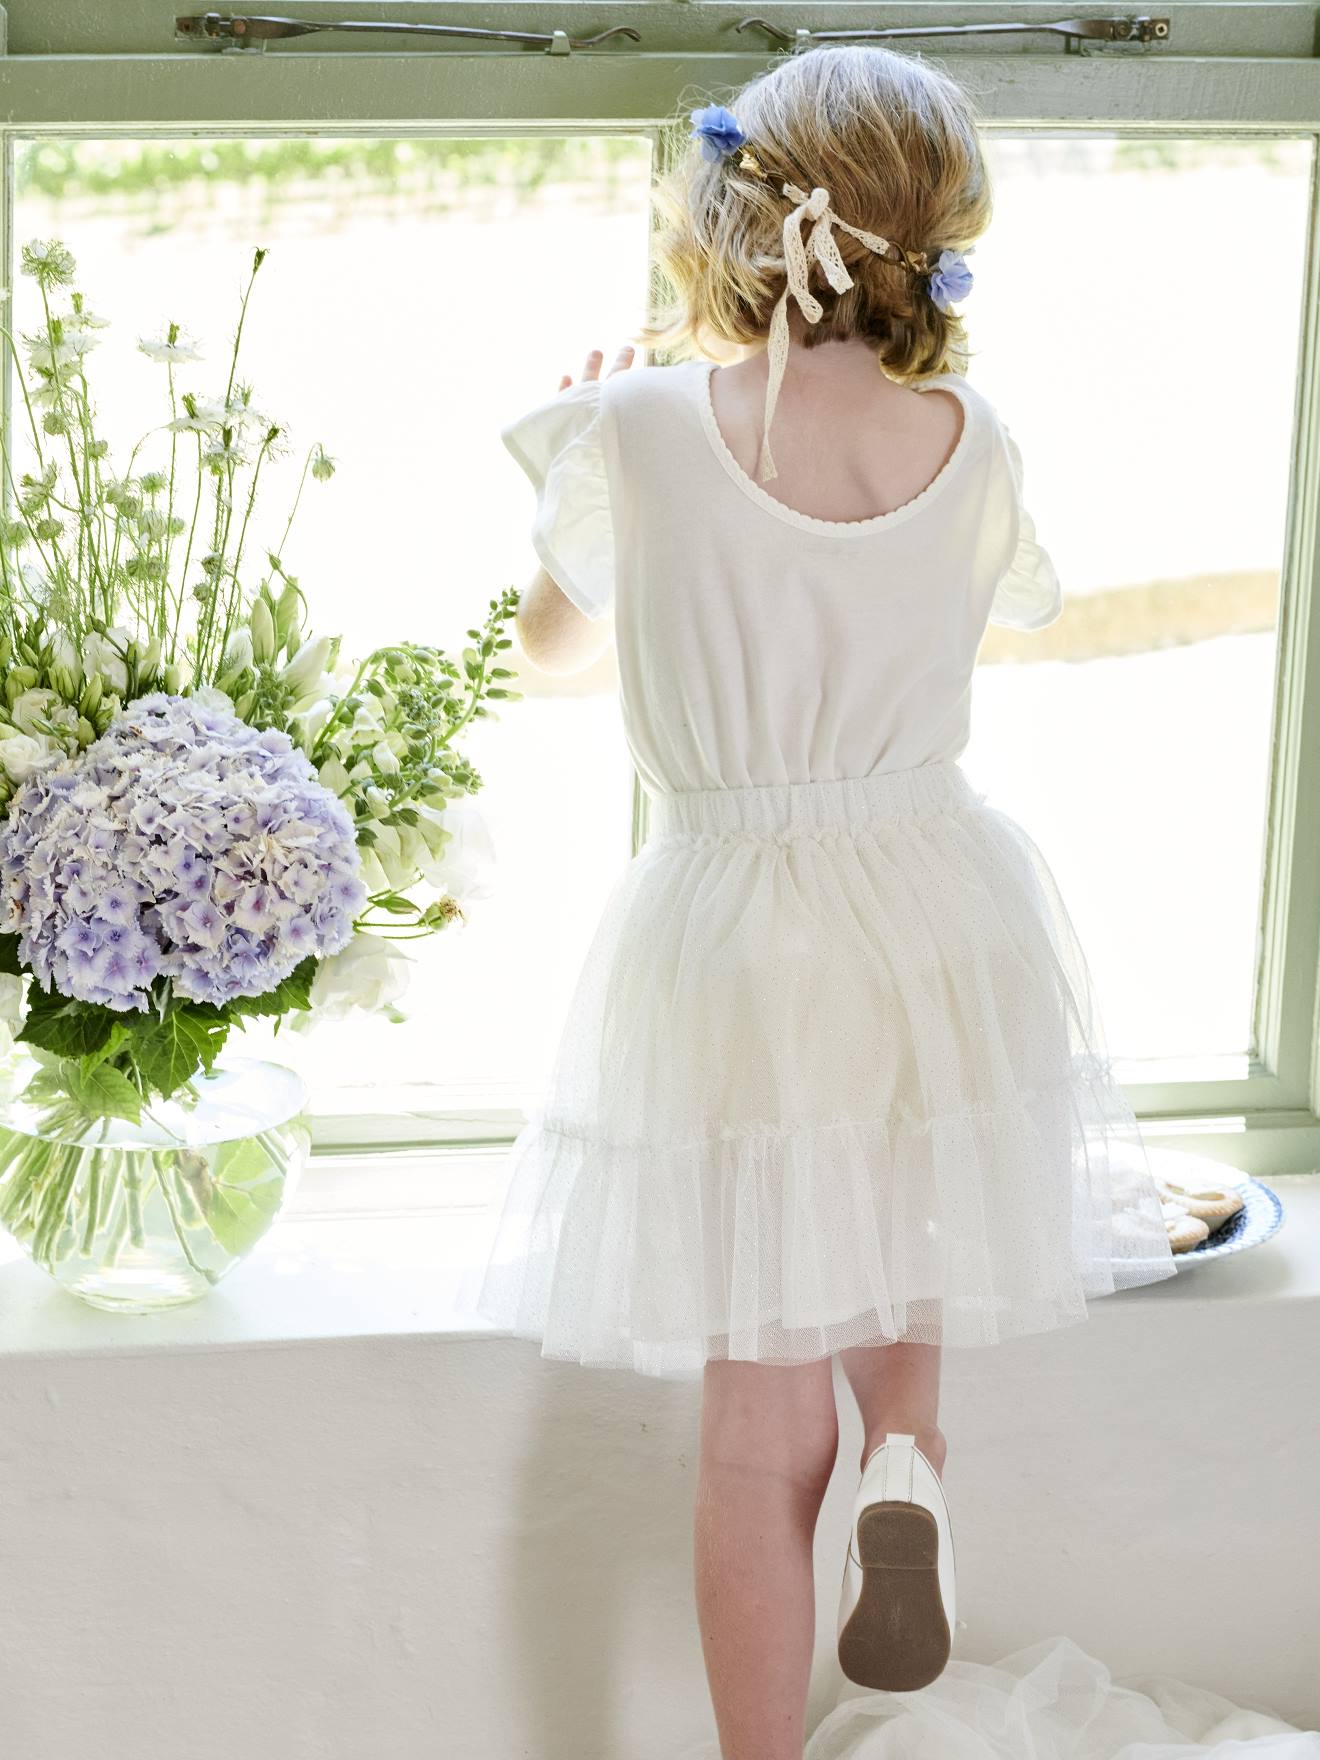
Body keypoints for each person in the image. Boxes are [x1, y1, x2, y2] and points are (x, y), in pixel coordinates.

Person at [471, 43, 1177, 1760]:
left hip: (735, 929)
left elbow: (544, 655)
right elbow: (980, 599)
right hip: (937, 894)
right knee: (908, 1230)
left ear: (726, 219)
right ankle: (911, 1460)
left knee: (750, 1430)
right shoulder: (971, 438)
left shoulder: (640, 428)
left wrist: (596, 454)